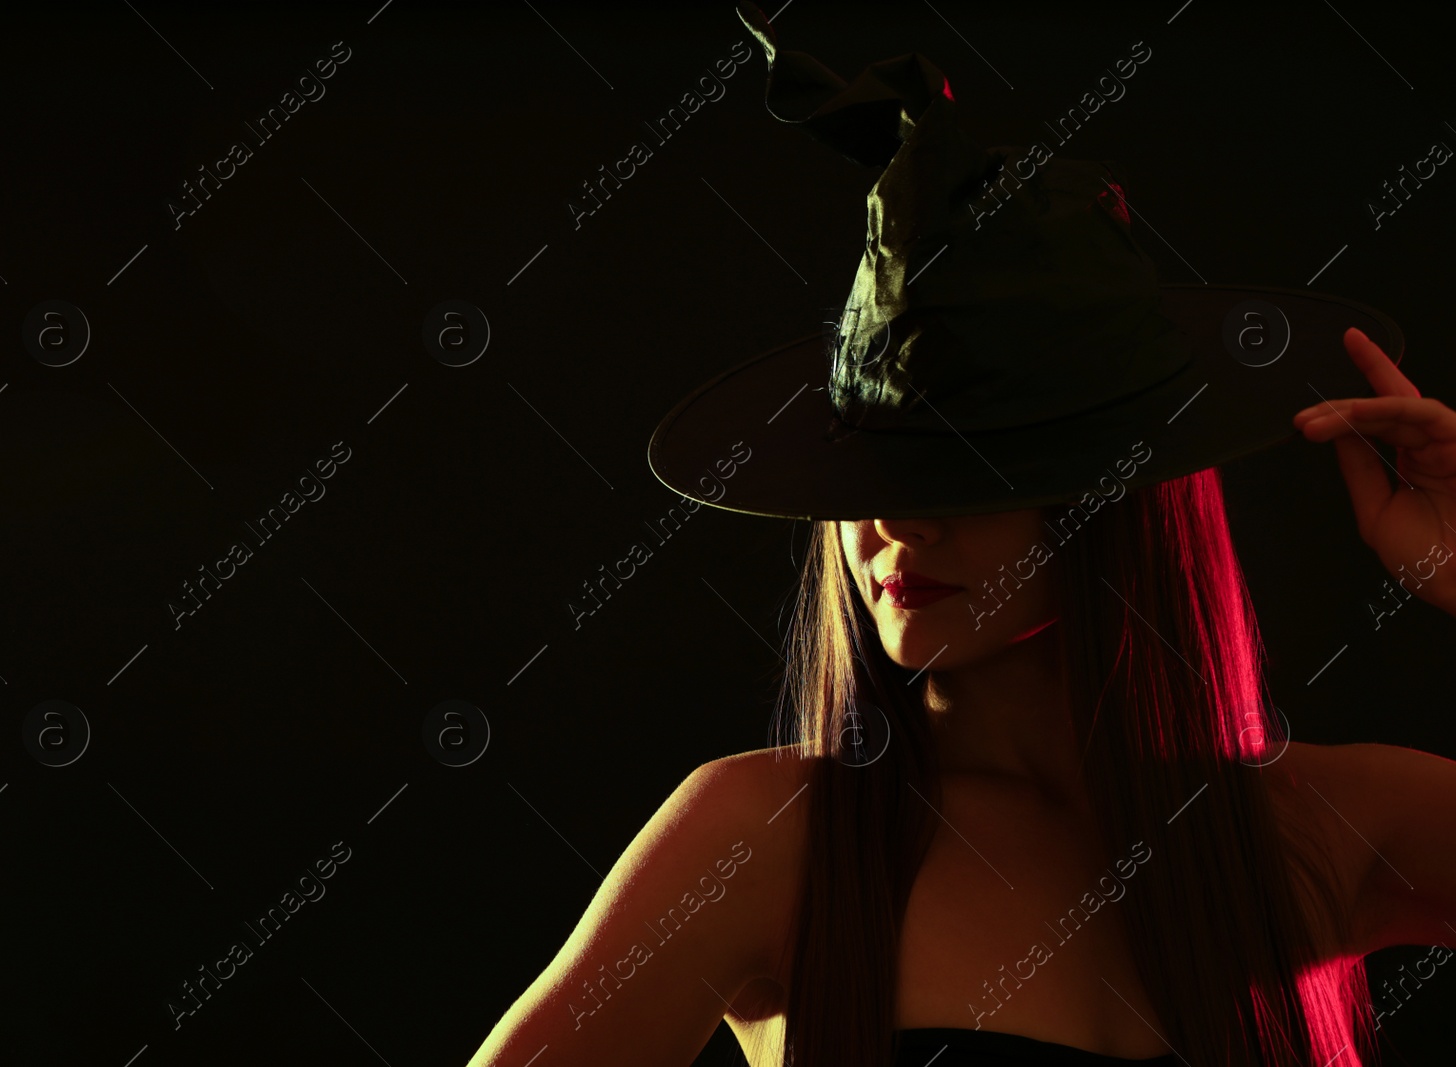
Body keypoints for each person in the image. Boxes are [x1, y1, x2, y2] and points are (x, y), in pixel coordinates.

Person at [465, 5, 1456, 1064]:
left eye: (968, 470)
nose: (894, 520)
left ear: (1105, 496)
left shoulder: (1311, 826)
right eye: (877, 471)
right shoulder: (766, 837)